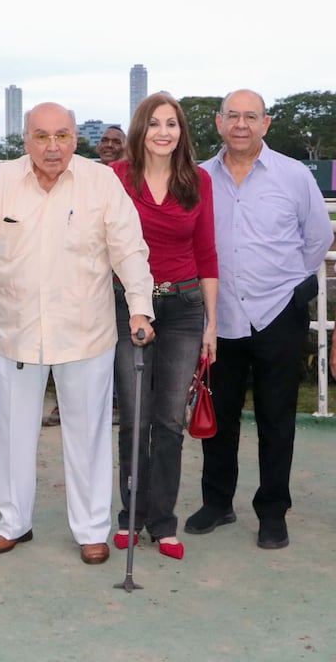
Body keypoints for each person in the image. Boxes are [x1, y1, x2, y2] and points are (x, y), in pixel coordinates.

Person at [0, 102, 154, 565]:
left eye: (62, 135)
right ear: (25, 140)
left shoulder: (101, 182)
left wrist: (140, 309)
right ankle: (13, 523)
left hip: (85, 334)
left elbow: (129, 248)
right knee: (13, 434)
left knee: (87, 436)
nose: (52, 146)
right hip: (15, 333)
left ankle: (90, 530)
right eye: (41, 136)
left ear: (74, 139)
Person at [186, 89, 333, 550]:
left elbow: (316, 238)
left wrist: (289, 290)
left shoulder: (293, 175)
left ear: (266, 124)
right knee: (219, 415)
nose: (242, 124)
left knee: (277, 418)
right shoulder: (197, 178)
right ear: (218, 122)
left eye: (251, 116)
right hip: (218, 316)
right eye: (233, 116)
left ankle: (273, 511)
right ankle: (217, 502)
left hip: (278, 314)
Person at [109, 93, 218, 560]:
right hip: (127, 306)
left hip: (184, 308)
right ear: (141, 129)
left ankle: (163, 522)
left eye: (172, 124)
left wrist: (211, 324)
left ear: (181, 133)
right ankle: (130, 516)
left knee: (169, 422)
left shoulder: (198, 181)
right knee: (134, 417)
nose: (163, 132)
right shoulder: (116, 179)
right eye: (154, 123)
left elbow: (207, 253)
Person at [44, 124, 129, 428]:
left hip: (119, 280)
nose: (108, 145)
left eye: (115, 141)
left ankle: (116, 403)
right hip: (79, 278)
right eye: (104, 140)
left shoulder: (129, 177)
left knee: (117, 343)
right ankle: (64, 405)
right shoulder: (81, 176)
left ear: (126, 145)